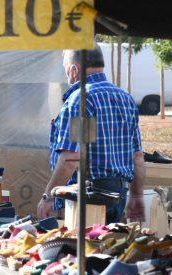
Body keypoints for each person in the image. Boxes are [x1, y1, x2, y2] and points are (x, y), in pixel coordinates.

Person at [37, 46, 146, 224]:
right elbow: (137, 157)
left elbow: (72, 158)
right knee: (108, 248)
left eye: (66, 69)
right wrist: (136, 196)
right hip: (119, 194)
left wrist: (48, 196)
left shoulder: (82, 99)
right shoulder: (125, 99)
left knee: (84, 249)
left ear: (74, 70)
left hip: (89, 197)